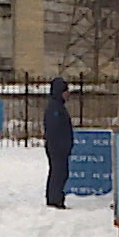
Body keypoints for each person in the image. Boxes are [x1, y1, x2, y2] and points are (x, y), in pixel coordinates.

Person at [43, 78, 74, 209]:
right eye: (65, 91)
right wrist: (62, 144)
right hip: (57, 147)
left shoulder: (58, 106)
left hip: (60, 146)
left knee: (60, 172)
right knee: (58, 172)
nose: (68, 94)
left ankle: (56, 198)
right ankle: (55, 199)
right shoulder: (54, 108)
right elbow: (54, 128)